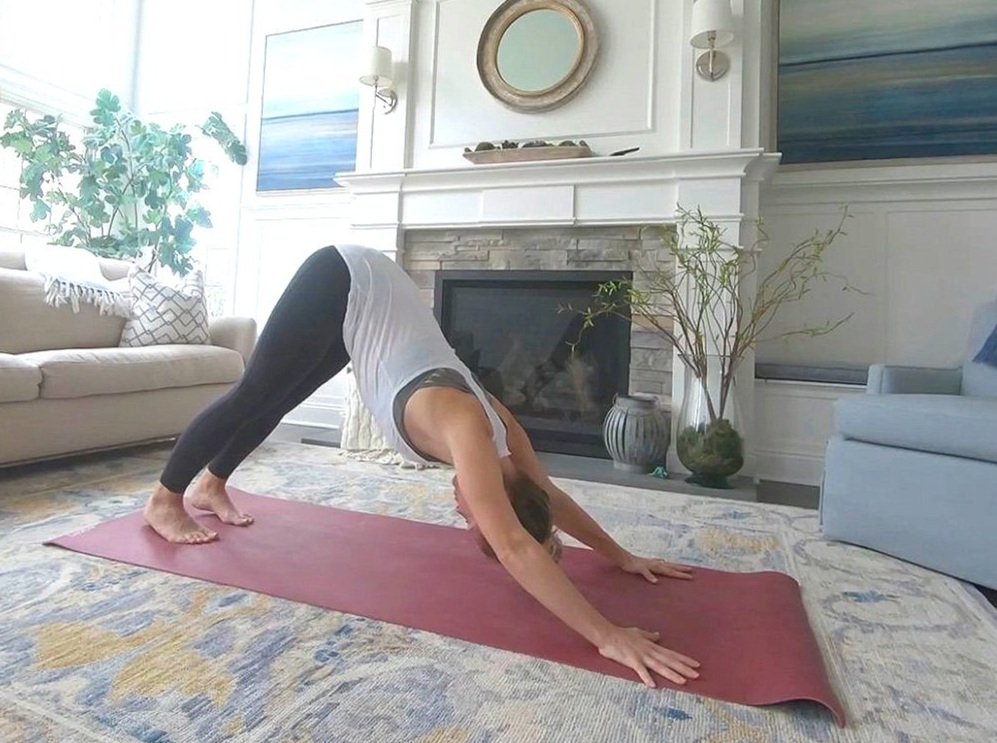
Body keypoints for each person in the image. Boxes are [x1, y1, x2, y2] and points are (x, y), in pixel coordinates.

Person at [143, 244, 701, 688]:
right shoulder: (467, 428)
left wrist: (621, 556)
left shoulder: (510, 441)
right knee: (254, 392)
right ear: (493, 503)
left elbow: (548, 499)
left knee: (278, 397)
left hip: (370, 307)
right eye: (473, 518)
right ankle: (165, 500)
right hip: (344, 276)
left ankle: (213, 483)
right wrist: (606, 636)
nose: (464, 514)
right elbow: (514, 545)